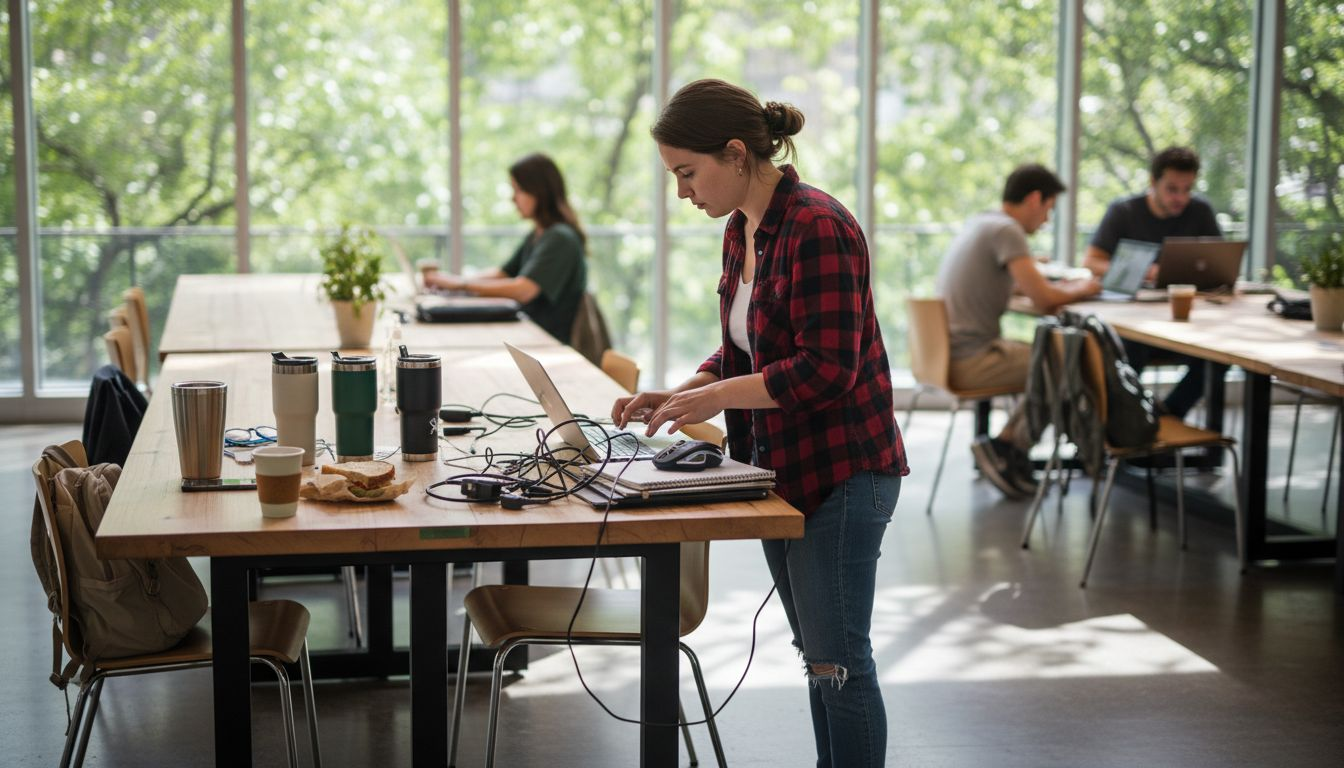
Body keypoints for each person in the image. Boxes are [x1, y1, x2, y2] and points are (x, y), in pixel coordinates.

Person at [611, 78, 908, 768]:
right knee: (819, 660)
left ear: (738, 154)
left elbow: (827, 369)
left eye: (687, 172)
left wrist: (716, 402)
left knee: (840, 663)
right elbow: (749, 346)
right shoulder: (741, 230)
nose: (682, 191)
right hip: (789, 469)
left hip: (845, 471)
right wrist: (686, 389)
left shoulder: (819, 227)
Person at [935, 164, 1101, 499]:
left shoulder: (982, 222)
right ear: (1036, 199)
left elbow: (1013, 287)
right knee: (1068, 359)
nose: (1046, 221)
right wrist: (1085, 287)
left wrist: (1038, 276)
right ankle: (1011, 447)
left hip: (946, 353)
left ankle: (1008, 446)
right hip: (972, 359)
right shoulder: (1007, 231)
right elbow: (1044, 300)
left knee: (1052, 354)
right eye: (1049, 211)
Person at [1083, 146, 1223, 418]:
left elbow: (1219, 263)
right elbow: (1092, 261)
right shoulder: (1124, 211)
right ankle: (1128, 428)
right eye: (1172, 189)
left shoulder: (1201, 211)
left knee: (1219, 358)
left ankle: (1165, 417)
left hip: (1188, 324)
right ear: (1153, 182)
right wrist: (1146, 271)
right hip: (1138, 324)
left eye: (1187, 189)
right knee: (1127, 351)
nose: (1180, 198)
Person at [422, 153, 586, 344]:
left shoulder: (560, 238)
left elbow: (524, 289)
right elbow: (503, 273)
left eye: (518, 190)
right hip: (527, 334)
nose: (513, 199)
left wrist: (460, 285)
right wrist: (451, 282)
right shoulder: (538, 235)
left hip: (546, 342)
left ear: (539, 191)